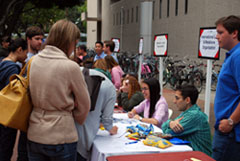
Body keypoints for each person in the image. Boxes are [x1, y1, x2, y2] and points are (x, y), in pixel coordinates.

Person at [27, 19, 90, 161]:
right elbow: (84, 104)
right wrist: (72, 117)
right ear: (69, 41)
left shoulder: (34, 61)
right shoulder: (70, 67)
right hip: (62, 134)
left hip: (35, 131)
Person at [212, 15, 240, 161]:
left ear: (234, 33)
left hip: (230, 132)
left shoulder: (238, 56)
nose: (217, 37)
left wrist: (230, 122)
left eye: (220, 32)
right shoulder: (232, 55)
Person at [75, 67, 118, 161]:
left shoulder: (77, 72)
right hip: (84, 138)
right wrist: (111, 128)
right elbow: (107, 119)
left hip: (62, 133)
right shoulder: (110, 88)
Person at [17, 25, 44, 161]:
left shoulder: (41, 57)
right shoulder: (23, 58)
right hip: (25, 103)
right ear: (28, 39)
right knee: (23, 142)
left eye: (41, 39)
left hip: (37, 105)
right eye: (37, 39)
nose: (40, 42)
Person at [161, 85, 212, 156]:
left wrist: (169, 124)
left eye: (177, 98)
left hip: (200, 157)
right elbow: (165, 128)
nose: (174, 101)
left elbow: (167, 134)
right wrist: (170, 123)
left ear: (187, 100)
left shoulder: (194, 115)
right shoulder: (186, 113)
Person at [0, 38, 28, 161]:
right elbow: (13, 94)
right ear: (19, 50)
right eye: (26, 52)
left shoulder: (2, 62)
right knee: (5, 150)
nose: (27, 56)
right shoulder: (13, 69)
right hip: (6, 115)